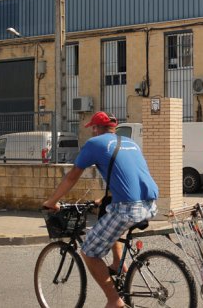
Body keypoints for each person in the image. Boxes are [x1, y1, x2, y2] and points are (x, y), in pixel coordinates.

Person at [43, 111, 159, 308]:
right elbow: (129, 177)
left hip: (128, 209)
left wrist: (52, 201)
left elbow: (72, 176)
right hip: (150, 204)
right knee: (107, 209)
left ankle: (114, 300)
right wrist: (105, 199)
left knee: (88, 252)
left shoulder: (95, 144)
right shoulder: (130, 143)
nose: (92, 132)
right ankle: (118, 263)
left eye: (92, 128)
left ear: (96, 128)